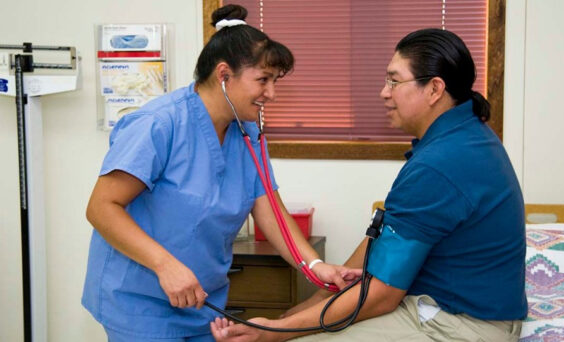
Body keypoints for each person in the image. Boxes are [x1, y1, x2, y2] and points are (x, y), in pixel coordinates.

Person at [210, 28, 528, 342]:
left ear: (434, 89)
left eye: (394, 80)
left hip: (456, 324)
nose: (383, 92)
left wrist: (278, 332)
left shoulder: (441, 163)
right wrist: (308, 305)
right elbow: (380, 239)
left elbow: (381, 295)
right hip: (441, 309)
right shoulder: (462, 138)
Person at [82, 5, 360, 342]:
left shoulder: (247, 134)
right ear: (224, 74)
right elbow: (101, 207)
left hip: (203, 301)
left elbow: (270, 210)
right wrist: (165, 265)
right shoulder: (158, 124)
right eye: (263, 80)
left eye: (275, 82)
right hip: (141, 300)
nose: (271, 94)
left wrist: (316, 267)